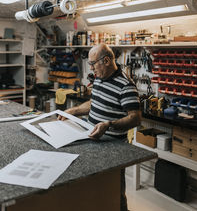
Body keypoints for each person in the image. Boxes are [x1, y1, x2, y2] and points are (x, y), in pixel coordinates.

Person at [58, 43, 140, 211]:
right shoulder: (99, 78)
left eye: (93, 63)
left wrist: (109, 125)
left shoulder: (126, 86)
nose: (91, 68)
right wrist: (75, 110)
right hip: (92, 139)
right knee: (93, 186)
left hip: (114, 147)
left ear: (107, 60)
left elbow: (135, 118)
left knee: (115, 191)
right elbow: (95, 103)